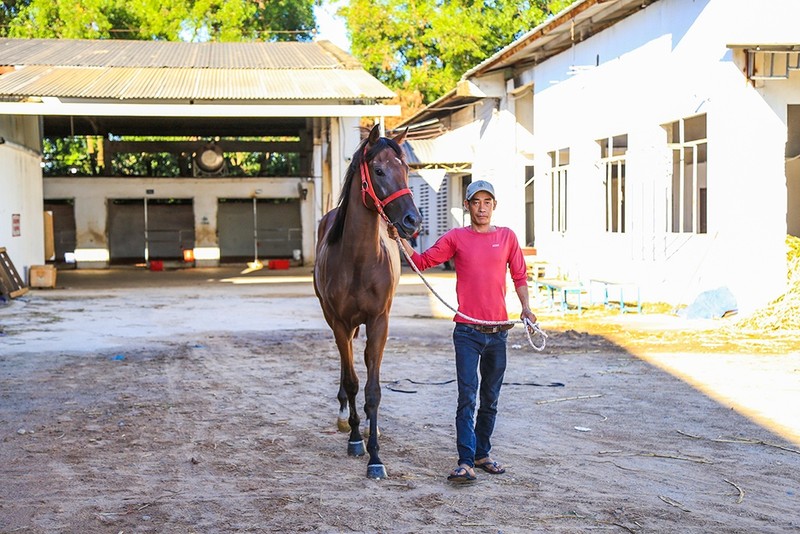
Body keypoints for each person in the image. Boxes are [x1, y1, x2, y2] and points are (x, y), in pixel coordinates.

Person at [388, 179, 537, 484]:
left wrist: (526, 307)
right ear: (467, 206)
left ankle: (482, 454)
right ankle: (465, 461)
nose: (482, 208)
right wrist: (399, 238)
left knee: (491, 397)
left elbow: (520, 275)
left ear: (494, 206)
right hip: (467, 332)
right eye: (476, 202)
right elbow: (421, 261)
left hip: (498, 332)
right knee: (467, 397)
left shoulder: (507, 237)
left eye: (487, 202)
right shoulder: (456, 237)